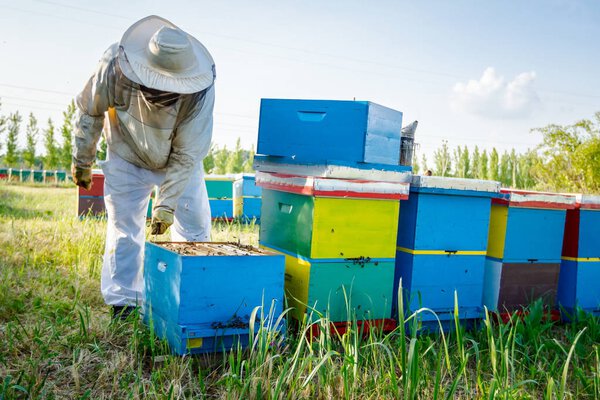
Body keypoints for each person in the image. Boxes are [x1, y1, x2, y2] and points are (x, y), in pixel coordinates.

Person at [71, 15, 215, 319]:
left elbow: (188, 154)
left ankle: (191, 298)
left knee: (196, 228)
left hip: (177, 161)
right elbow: (90, 109)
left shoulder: (201, 91)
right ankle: (123, 303)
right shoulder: (114, 64)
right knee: (124, 229)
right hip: (126, 152)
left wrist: (166, 205)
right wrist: (82, 160)